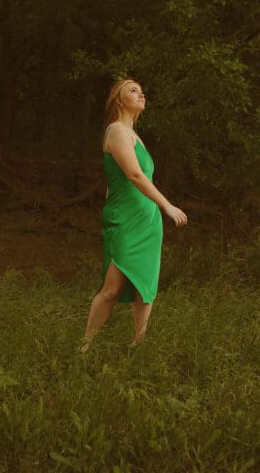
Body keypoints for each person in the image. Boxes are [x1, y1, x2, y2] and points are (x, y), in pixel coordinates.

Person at [81, 78, 187, 351]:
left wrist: (155, 210)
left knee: (145, 286)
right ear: (118, 99)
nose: (140, 94)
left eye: (142, 91)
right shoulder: (116, 131)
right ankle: (84, 347)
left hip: (147, 220)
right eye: (132, 90)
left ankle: (138, 346)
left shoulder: (135, 136)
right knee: (112, 288)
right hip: (127, 220)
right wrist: (167, 205)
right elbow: (133, 175)